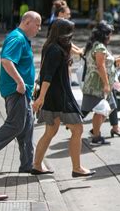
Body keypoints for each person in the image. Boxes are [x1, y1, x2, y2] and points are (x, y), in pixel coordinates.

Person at [31, 19, 95, 177]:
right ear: (63, 33)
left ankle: (37, 165)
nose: (71, 36)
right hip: (60, 96)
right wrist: (40, 98)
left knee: (50, 131)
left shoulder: (52, 46)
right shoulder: (55, 50)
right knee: (78, 129)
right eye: (69, 32)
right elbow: (48, 76)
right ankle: (76, 168)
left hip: (55, 95)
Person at [0, 11, 41, 173]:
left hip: (22, 92)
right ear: (27, 22)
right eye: (37, 25)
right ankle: (28, 164)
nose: (39, 28)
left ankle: (28, 165)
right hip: (16, 91)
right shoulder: (17, 38)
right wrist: (20, 81)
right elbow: (6, 60)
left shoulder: (22, 38)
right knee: (15, 126)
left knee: (27, 128)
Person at [81, 21, 120, 145]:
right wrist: (106, 84)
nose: (110, 38)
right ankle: (96, 137)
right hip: (98, 85)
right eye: (109, 35)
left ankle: (95, 131)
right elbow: (100, 66)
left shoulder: (94, 45)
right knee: (101, 110)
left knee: (109, 108)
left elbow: (107, 64)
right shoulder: (100, 47)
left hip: (98, 83)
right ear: (104, 35)